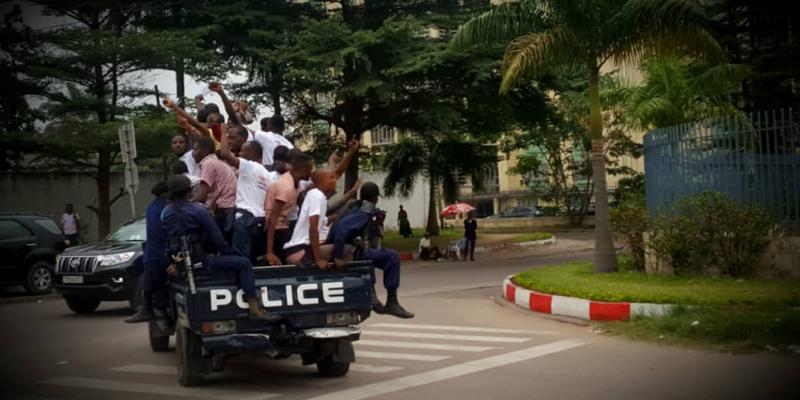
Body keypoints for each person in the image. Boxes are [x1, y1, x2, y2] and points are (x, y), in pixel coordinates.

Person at [161, 175, 269, 320]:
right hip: (200, 262)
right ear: (188, 192)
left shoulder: (165, 213)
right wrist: (230, 253)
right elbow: (217, 240)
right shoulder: (199, 211)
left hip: (180, 264)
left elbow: (165, 242)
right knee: (243, 263)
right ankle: (254, 306)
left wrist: (172, 263)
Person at [330, 182, 414, 319]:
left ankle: (374, 297)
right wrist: (337, 256)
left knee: (370, 255)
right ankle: (390, 302)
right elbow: (342, 228)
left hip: (354, 249)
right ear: (375, 198)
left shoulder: (354, 206)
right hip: (350, 251)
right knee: (392, 257)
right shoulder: (364, 211)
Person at [216, 133, 270, 262]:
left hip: (244, 220)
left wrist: (223, 131)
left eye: (242, 151)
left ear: (253, 154)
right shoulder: (267, 175)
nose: (239, 154)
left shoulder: (249, 166)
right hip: (259, 222)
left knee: (241, 262)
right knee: (253, 262)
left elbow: (225, 154)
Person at [125, 181, 170, 323]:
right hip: (159, 254)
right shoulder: (165, 208)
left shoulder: (152, 207)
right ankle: (148, 310)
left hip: (153, 253)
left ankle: (150, 310)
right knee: (155, 285)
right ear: (166, 194)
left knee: (152, 284)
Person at [265, 151, 314, 265]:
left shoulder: (297, 184)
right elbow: (272, 219)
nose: (311, 173)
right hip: (277, 231)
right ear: (302, 168)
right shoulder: (286, 188)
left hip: (284, 227)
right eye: (309, 169)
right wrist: (270, 252)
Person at [284, 169, 338, 268]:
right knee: (346, 250)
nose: (335, 181)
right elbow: (313, 229)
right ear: (320, 181)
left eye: (335, 178)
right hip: (301, 249)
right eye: (331, 178)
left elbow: (319, 224)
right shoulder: (317, 195)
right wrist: (318, 260)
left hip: (300, 248)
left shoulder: (317, 195)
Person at [191, 136, 237, 237]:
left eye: (195, 149)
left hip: (223, 211)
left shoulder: (208, 164)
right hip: (229, 209)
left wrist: (185, 204)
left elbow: (202, 198)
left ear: (205, 150)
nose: (192, 153)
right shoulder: (218, 162)